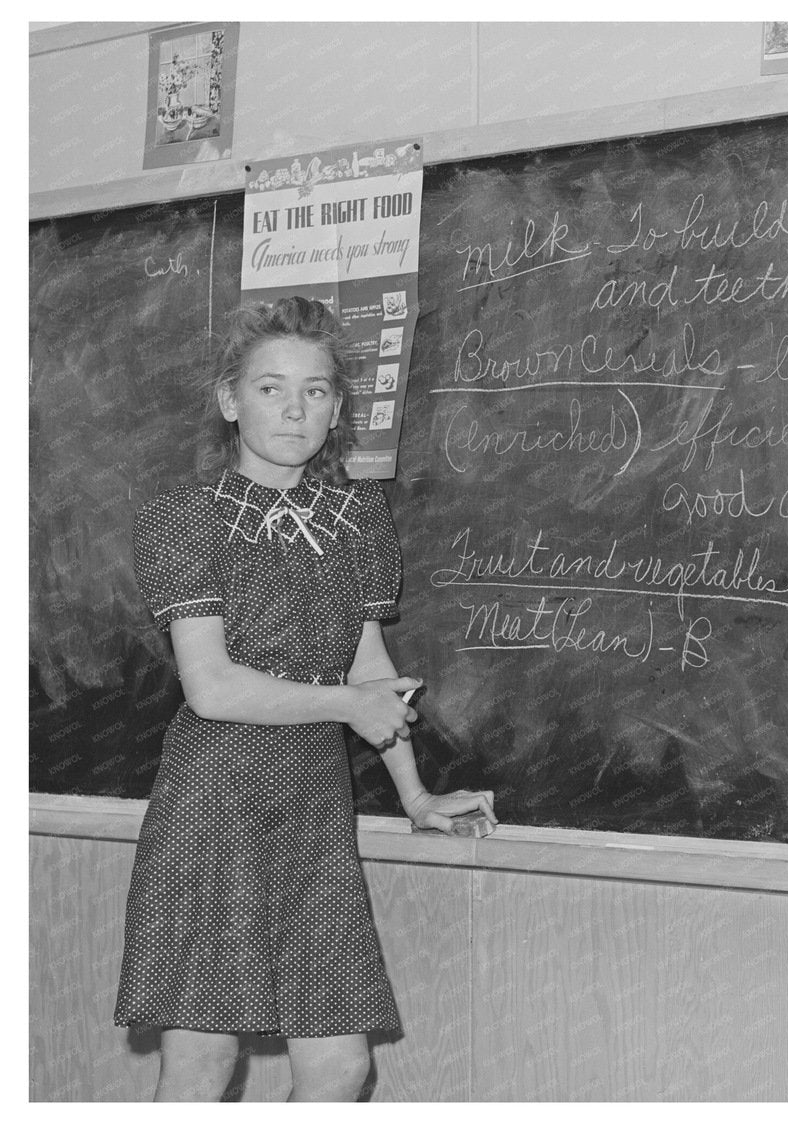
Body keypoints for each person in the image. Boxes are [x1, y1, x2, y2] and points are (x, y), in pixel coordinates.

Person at [114, 295, 497, 1101]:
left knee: (340, 1066)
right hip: (213, 806)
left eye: (317, 390)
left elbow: (369, 668)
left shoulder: (357, 516)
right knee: (203, 1063)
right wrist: (347, 705)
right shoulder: (184, 519)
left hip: (315, 813)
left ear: (336, 410)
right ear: (230, 401)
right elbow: (213, 688)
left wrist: (418, 795)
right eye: (270, 388)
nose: (295, 408)